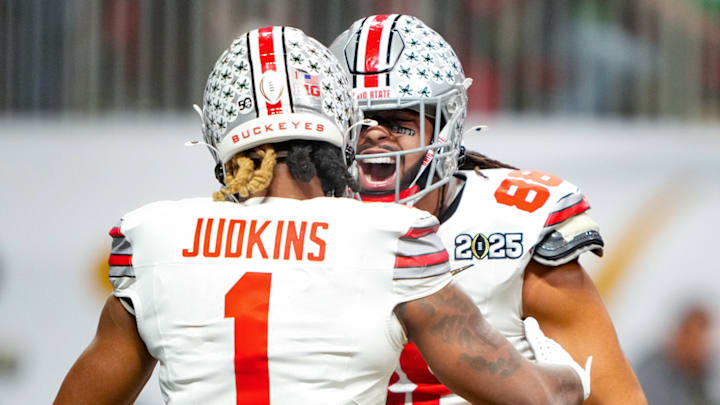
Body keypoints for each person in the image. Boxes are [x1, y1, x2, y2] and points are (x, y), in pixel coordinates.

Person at [53, 26, 591, 405]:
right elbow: (532, 398)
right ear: (342, 122)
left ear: (218, 140)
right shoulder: (390, 239)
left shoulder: (154, 239)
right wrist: (569, 377)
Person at [330, 14, 647, 405]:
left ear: (444, 126)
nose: (375, 135)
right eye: (359, 122)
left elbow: (616, 397)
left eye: (399, 121)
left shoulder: (514, 224)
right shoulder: (301, 218)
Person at [636, 305, 718, 405]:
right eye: (700, 340)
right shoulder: (653, 372)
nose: (707, 349)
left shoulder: (699, 382)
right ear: (683, 335)